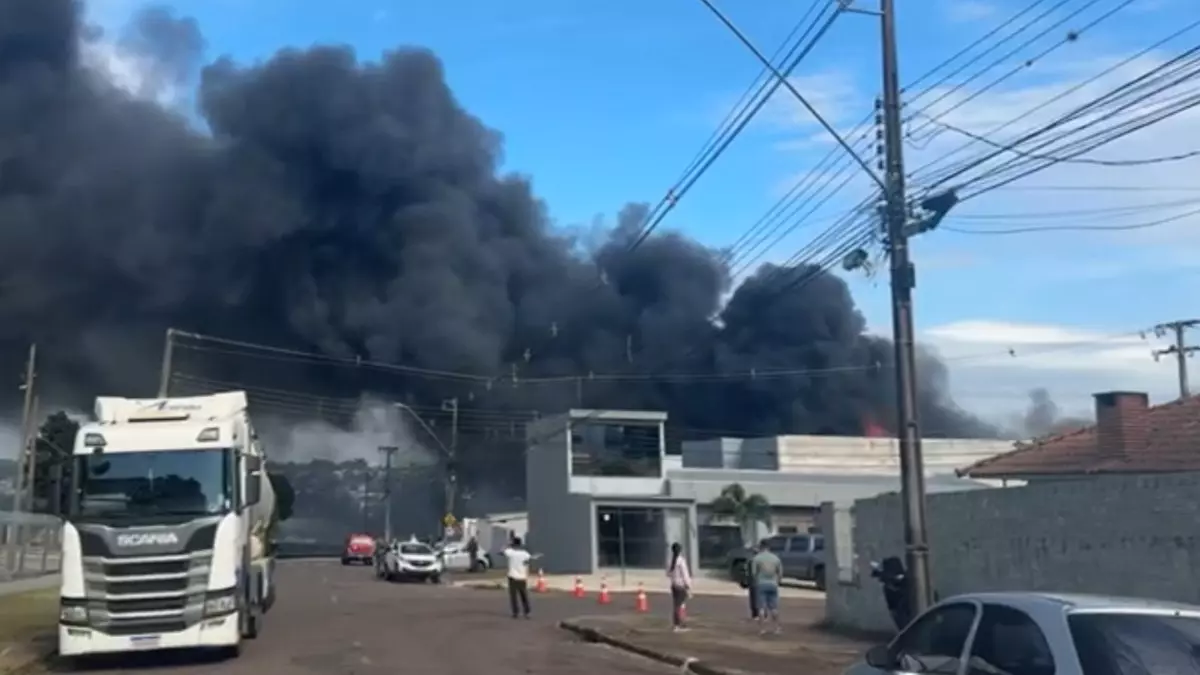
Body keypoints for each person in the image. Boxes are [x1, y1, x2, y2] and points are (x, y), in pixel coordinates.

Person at [750, 539, 783, 635]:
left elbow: (753, 573)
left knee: (761, 608)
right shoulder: (776, 558)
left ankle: (762, 629)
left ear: (761, 547)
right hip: (773, 584)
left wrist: (756, 581)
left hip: (761, 584)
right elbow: (780, 573)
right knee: (774, 608)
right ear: (769, 547)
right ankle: (777, 628)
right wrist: (777, 581)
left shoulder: (757, 558)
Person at [503, 536, 532, 619]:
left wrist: (508, 544)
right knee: (524, 595)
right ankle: (527, 612)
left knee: (513, 596)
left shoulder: (511, 553)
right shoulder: (525, 554)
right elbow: (527, 563)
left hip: (512, 576)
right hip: (522, 576)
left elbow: (503, 549)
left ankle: (515, 612)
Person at [666, 542, 692, 632]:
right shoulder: (681, 561)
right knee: (679, 605)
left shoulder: (670, 561)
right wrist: (688, 585)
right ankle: (677, 625)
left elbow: (668, 573)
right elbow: (685, 575)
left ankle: (680, 623)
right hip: (681, 586)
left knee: (678, 605)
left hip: (674, 585)